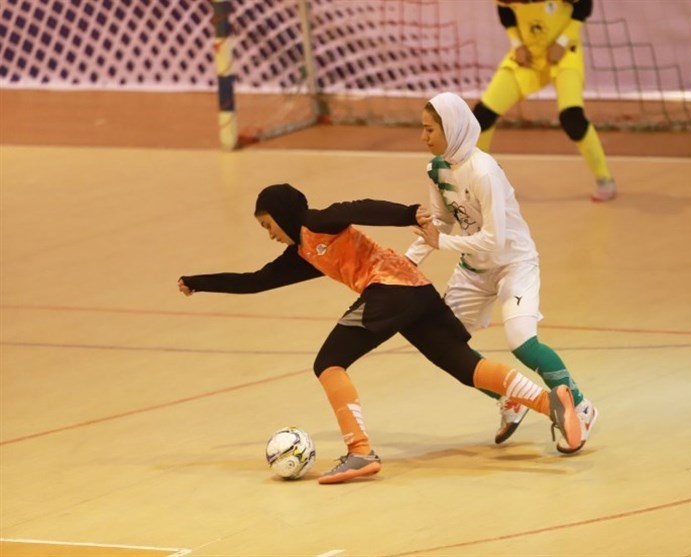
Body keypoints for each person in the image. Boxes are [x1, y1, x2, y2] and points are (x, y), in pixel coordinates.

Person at [178, 183, 581, 484]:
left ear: (282, 214)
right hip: (416, 290)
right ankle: (551, 403)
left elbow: (360, 208)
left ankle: (360, 452)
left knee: (329, 363)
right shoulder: (301, 253)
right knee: (465, 367)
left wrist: (409, 214)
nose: (269, 233)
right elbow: (255, 282)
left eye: (268, 225)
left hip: (389, 290)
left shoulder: (316, 221)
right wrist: (198, 282)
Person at [407, 91, 598, 453]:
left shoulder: (484, 171)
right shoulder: (436, 169)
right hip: (473, 269)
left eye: (429, 129)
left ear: (452, 128)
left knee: (521, 341)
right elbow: (441, 223)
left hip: (513, 264)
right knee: (443, 345)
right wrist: (404, 263)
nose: (423, 137)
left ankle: (581, 407)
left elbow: (493, 240)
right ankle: (509, 398)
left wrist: (441, 244)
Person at [473, 0, 617, 202]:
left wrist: (563, 42)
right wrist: (517, 44)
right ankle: (481, 179)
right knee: (481, 116)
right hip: (529, 55)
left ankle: (604, 179)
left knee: (572, 118)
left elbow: (584, 5)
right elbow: (505, 10)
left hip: (564, 54)